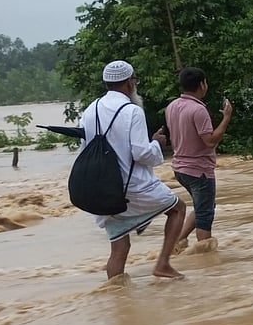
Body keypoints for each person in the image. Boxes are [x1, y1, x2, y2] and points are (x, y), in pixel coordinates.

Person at [79, 60, 187, 280]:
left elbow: (85, 149)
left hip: (103, 190)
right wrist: (157, 144)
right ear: (129, 83)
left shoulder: (90, 111)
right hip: (133, 187)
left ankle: (116, 292)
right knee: (178, 209)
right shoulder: (132, 111)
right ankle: (163, 264)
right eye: (134, 81)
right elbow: (141, 153)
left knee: (119, 248)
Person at [164, 66, 232, 251]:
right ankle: (204, 255)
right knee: (204, 215)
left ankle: (178, 241)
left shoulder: (172, 107)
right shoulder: (198, 110)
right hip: (199, 171)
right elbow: (210, 141)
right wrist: (226, 118)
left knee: (204, 206)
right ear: (202, 85)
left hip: (179, 169)